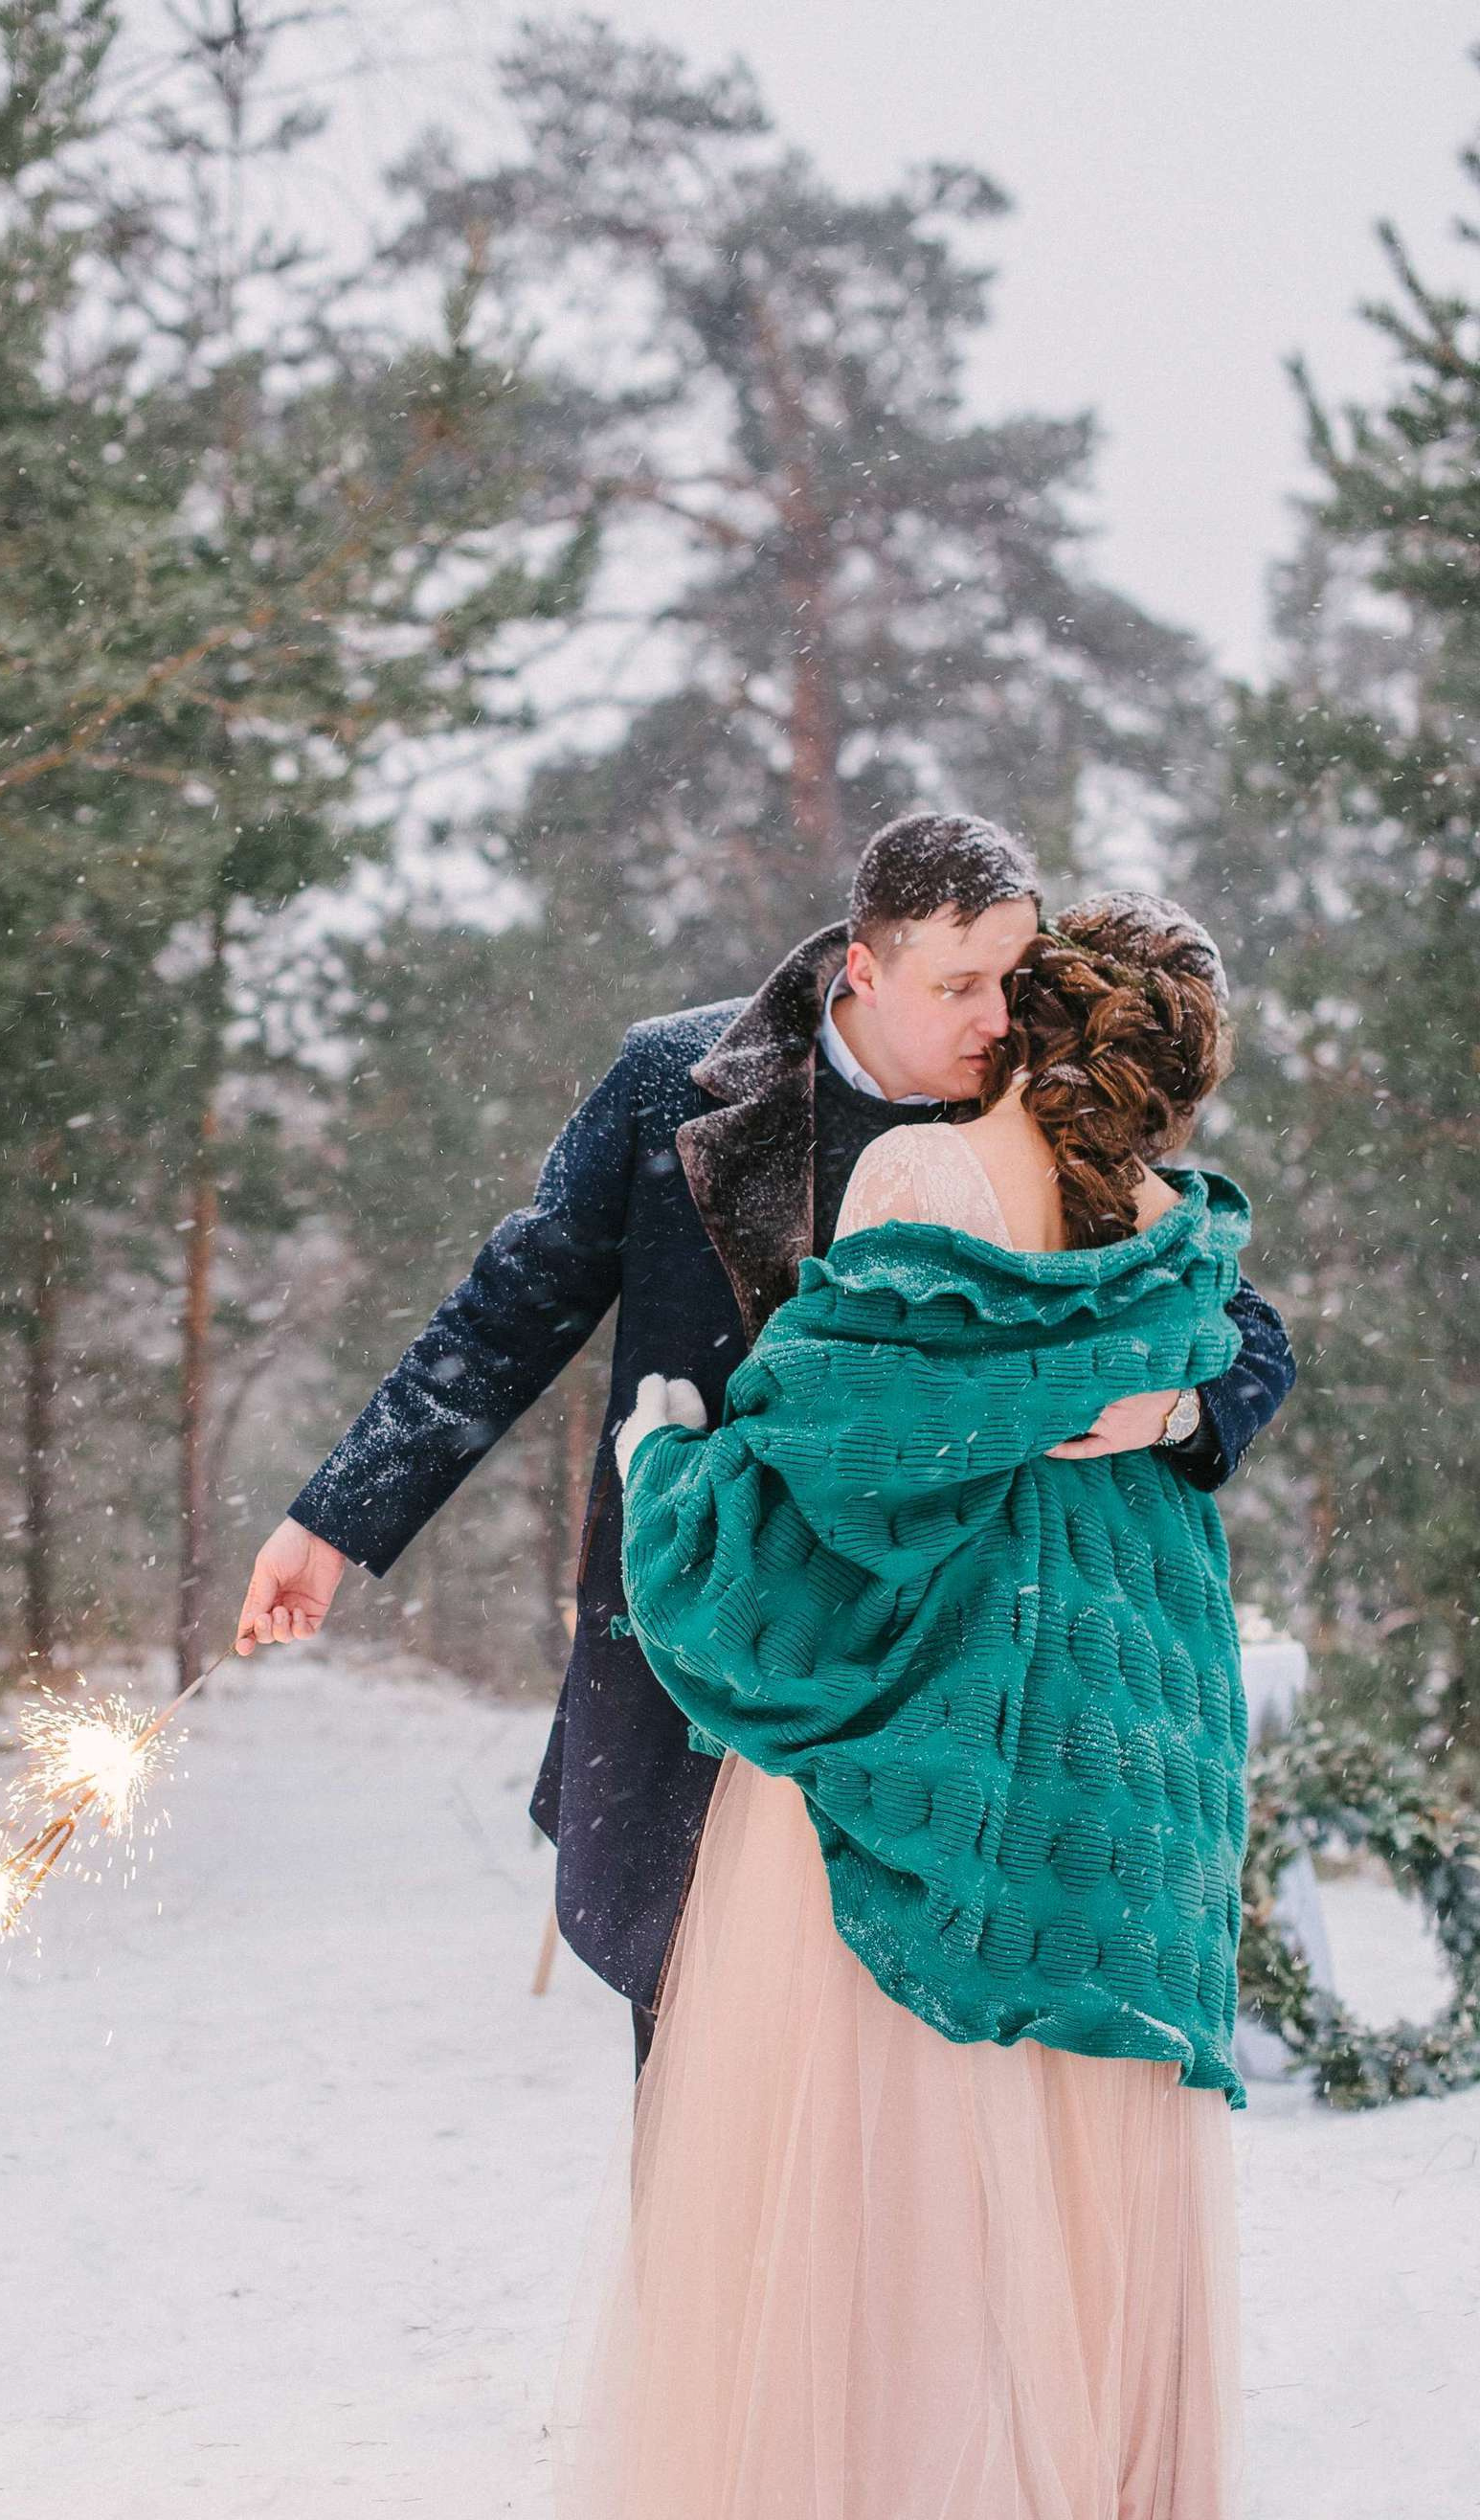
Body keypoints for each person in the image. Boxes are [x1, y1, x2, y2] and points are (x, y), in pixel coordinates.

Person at [234, 817, 1296, 2087]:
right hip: (707, 1653)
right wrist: (336, 1519)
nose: (1002, 1015)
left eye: (1017, 977)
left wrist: (1178, 1412)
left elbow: (1230, 1313)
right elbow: (509, 1311)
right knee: (705, 2096)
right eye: (960, 984)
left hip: (933, 1696)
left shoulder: (1042, 1103)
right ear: (863, 965)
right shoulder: (666, 1083)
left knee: (906, 2118)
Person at [554, 893, 1267, 2520]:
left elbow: (833, 1465)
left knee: (914, 2096)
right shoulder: (1173, 1220)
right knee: (1072, 2091)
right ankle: (1106, 2505)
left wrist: (670, 1473)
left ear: (1025, 1020)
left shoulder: (928, 1187)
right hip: (1132, 1693)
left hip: (949, 1683)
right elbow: (1196, 1362)